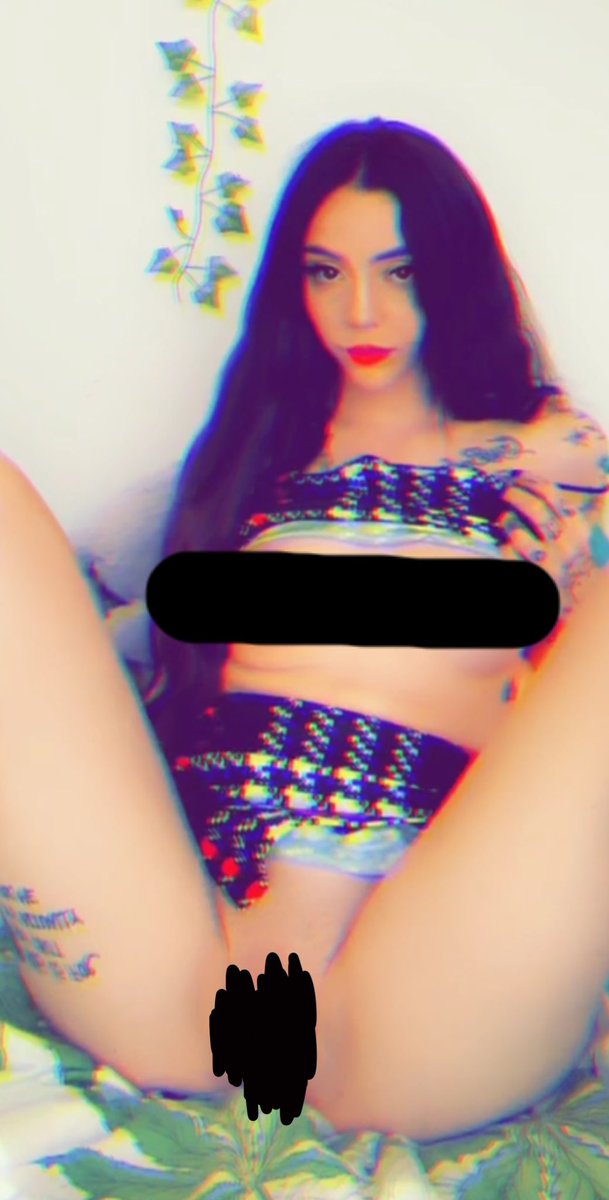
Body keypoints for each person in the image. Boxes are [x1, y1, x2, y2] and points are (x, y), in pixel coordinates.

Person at [2, 116, 609, 1144]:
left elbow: (581, 481)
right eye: (326, 273)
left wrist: (564, 598)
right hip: (192, 975)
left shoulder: (539, 462)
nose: (360, 311)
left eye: (400, 272)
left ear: (455, 274)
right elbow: (119, 619)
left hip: (408, 1003)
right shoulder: (258, 460)